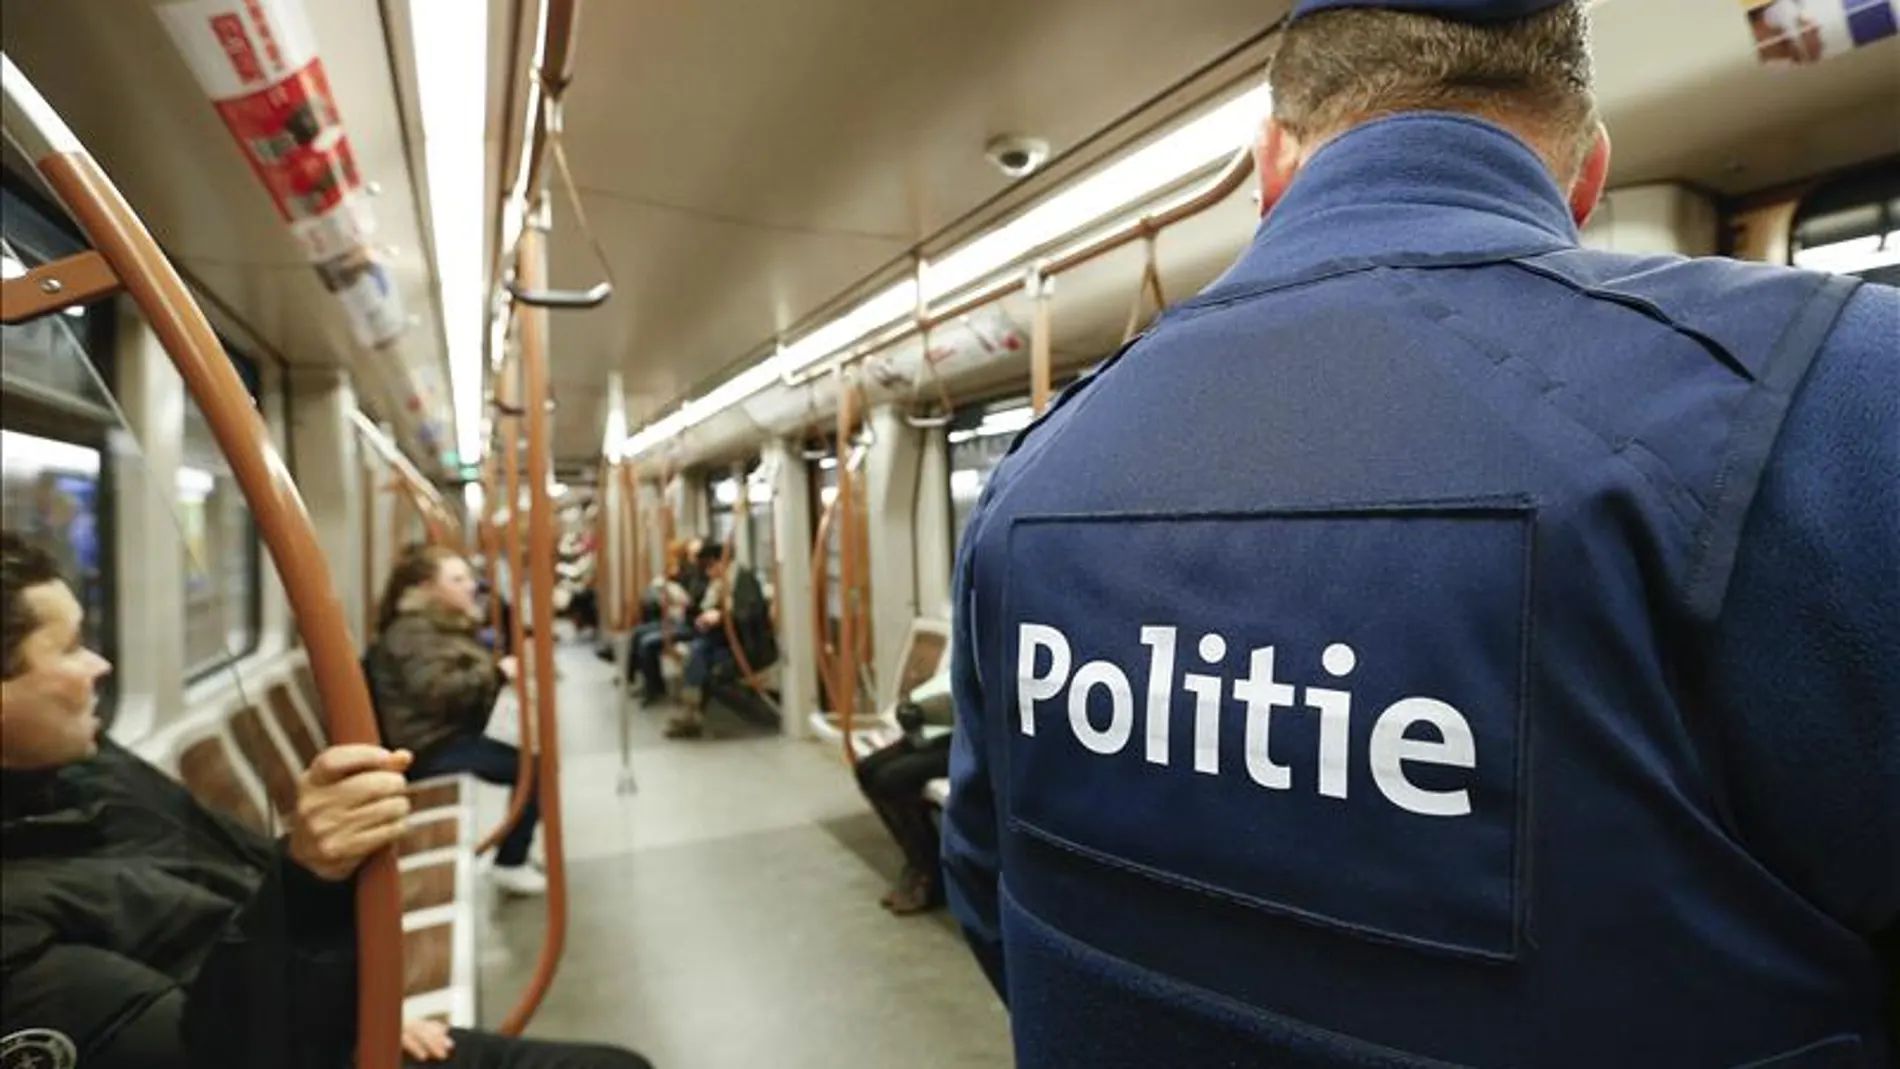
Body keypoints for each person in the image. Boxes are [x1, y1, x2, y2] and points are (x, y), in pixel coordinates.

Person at [942, 2, 1898, 1066]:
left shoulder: (1032, 472)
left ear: (1269, 166)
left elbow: (990, 891)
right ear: (1585, 179)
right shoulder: (1843, 392)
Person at [0, 531, 652, 1068]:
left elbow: (244, 870)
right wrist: (312, 883)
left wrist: (347, 983)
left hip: (302, 999)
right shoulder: (19, 933)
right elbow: (212, 1051)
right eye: (66, 648)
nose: (99, 666)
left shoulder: (85, 774)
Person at [366, 544, 544, 897]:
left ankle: (513, 854)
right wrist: (495, 674)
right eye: (457, 579)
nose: (470, 586)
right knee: (532, 766)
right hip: (427, 747)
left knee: (531, 755)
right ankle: (510, 862)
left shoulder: (432, 626)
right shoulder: (412, 633)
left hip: (439, 733)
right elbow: (439, 692)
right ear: (427, 588)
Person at [855, 656, 954, 915]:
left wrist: (928, 711)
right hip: (955, 731)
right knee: (867, 769)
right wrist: (918, 710)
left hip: (983, 745)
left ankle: (930, 874)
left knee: (893, 780)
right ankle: (916, 858)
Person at [664, 542, 730, 740]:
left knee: (696, 654)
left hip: (723, 641)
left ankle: (691, 715)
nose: (708, 570)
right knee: (696, 652)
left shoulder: (731, 582)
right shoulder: (713, 583)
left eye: (711, 566)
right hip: (709, 635)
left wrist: (719, 615)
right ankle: (691, 712)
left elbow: (741, 617)